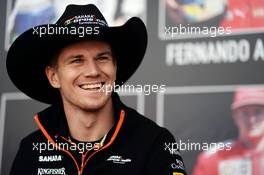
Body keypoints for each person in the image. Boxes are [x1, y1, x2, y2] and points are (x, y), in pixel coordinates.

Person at [6, 4, 187, 175]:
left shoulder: (154, 143)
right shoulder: (31, 149)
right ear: (54, 77)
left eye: (102, 58)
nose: (93, 71)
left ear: (115, 68)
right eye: (77, 60)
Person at [193, 87, 264, 175]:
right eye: (245, 113)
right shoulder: (216, 156)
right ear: (235, 116)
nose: (251, 120)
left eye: (258, 112)